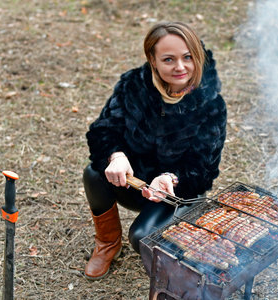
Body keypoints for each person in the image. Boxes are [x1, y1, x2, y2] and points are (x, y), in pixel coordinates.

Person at [83, 21, 227, 280]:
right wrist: (116, 155)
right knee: (93, 174)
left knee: (141, 237)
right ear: (153, 59)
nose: (180, 67)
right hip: (133, 181)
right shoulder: (134, 86)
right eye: (169, 59)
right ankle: (107, 244)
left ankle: (176, 276)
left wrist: (171, 178)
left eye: (187, 57)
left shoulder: (210, 104)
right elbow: (103, 129)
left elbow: (203, 169)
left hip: (175, 193)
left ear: (197, 57)